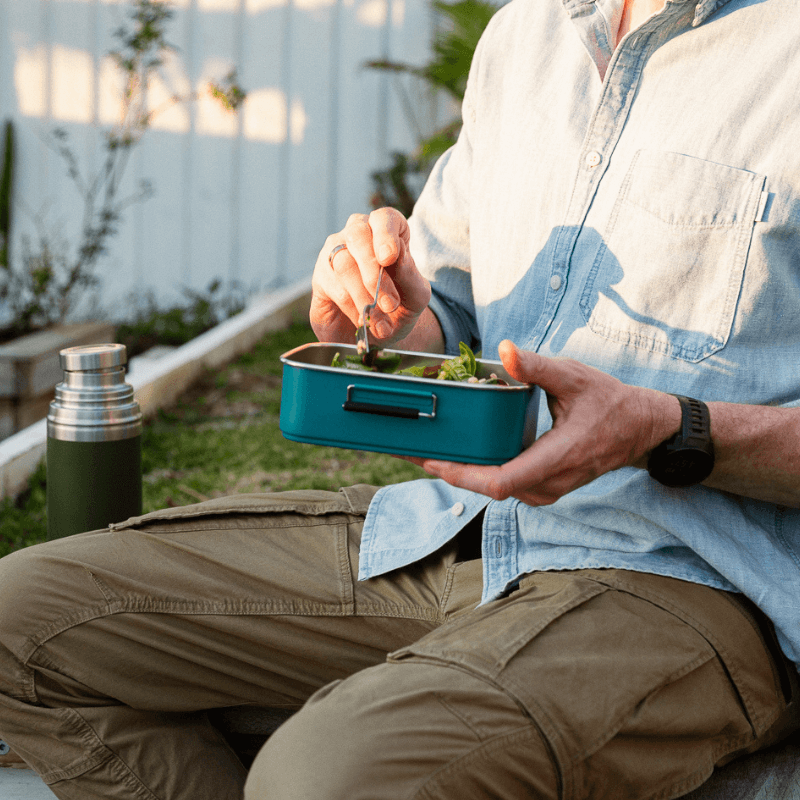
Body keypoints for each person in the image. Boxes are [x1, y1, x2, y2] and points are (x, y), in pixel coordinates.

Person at [1, 0, 799, 797]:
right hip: (453, 536)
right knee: (19, 621)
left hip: (692, 580)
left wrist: (667, 428)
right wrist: (386, 313)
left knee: (317, 778)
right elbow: (447, 322)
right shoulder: (526, 36)